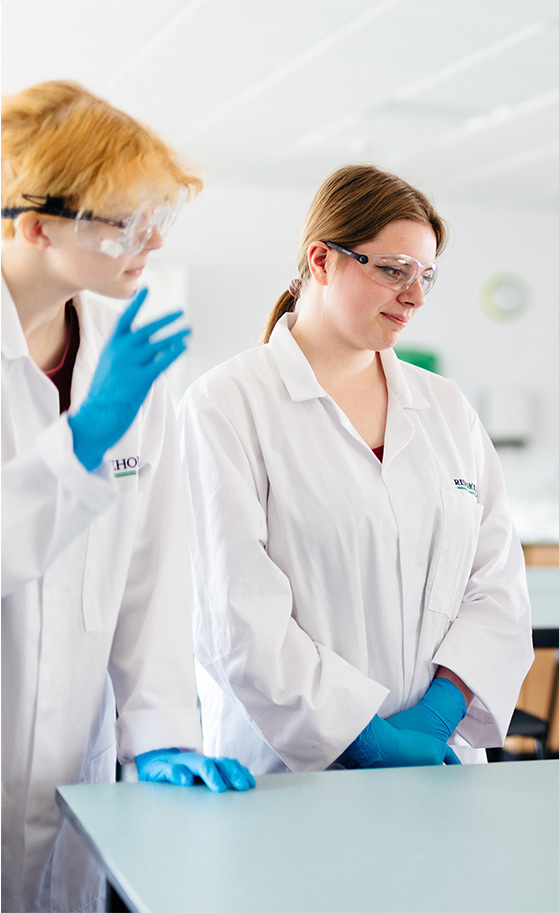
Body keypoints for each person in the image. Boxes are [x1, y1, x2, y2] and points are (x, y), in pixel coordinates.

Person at [179, 164, 533, 773]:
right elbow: (235, 612)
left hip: (436, 762)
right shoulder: (226, 405)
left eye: (426, 276)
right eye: (394, 270)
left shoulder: (446, 409)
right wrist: (364, 738)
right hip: (294, 774)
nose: (415, 296)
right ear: (322, 261)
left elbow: (497, 583)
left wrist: (439, 714)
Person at [1, 81, 254, 913]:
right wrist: (78, 445)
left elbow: (150, 572)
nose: (151, 240)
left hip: (75, 772)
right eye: (125, 221)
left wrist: (162, 734)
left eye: (157, 217)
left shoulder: (130, 360)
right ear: (34, 225)